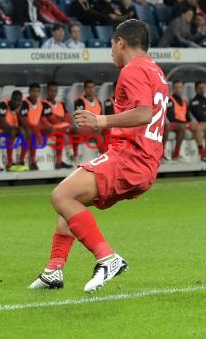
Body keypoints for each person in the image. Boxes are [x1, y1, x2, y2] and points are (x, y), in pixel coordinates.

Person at [29, 19, 169, 292]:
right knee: (70, 204)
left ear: (121, 43)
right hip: (146, 162)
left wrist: (100, 121)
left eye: (111, 45)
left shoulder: (133, 69)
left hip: (129, 156)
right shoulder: (156, 71)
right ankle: (53, 270)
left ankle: (107, 258)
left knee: (61, 196)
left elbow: (143, 113)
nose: (111, 52)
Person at [165, 80, 206, 162]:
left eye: (180, 87)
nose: (178, 89)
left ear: (183, 88)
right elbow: (170, 117)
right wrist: (184, 123)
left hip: (183, 123)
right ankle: (175, 155)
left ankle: (203, 153)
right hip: (173, 124)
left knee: (198, 127)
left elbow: (187, 116)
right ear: (173, 89)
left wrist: (190, 122)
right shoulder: (170, 100)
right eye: (176, 87)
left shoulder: (184, 101)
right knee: (181, 127)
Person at [0, 90, 29, 172]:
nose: (17, 102)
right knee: (12, 132)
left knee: (28, 132)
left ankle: (21, 161)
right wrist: (18, 128)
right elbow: (3, 125)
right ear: (11, 99)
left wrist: (18, 113)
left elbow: (24, 125)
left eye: (19, 100)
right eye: (15, 100)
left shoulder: (22, 106)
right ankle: (9, 162)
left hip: (8, 130)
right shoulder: (3, 105)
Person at [41, 81, 73, 169]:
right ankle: (59, 162)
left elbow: (69, 119)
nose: (53, 93)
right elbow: (51, 119)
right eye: (51, 90)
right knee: (61, 135)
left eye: (55, 91)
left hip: (63, 129)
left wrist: (59, 118)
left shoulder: (61, 104)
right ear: (47, 91)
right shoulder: (44, 104)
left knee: (74, 131)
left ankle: (75, 159)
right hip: (50, 130)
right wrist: (61, 119)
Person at [18, 82, 44, 171]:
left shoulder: (40, 104)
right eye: (33, 91)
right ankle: (24, 161)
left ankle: (59, 161)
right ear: (29, 91)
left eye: (37, 91)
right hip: (23, 127)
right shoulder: (25, 103)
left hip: (34, 128)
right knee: (30, 135)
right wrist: (37, 133)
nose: (35, 93)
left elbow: (39, 119)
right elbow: (23, 120)